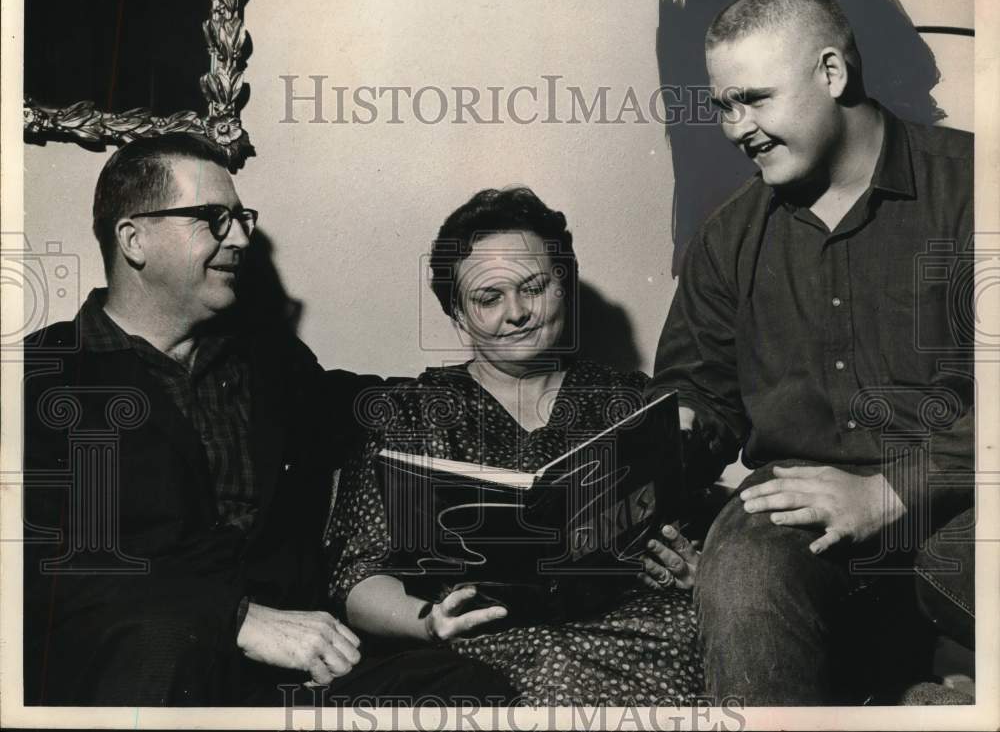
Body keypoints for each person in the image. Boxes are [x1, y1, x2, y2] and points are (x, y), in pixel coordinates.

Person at [22, 133, 512, 706]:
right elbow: (39, 575)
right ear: (134, 239)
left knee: (467, 691)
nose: (241, 238)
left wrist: (497, 370)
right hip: (149, 675)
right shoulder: (41, 380)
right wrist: (232, 619)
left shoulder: (267, 363)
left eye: (241, 217)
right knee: (159, 652)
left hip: (299, 677)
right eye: (213, 219)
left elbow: (366, 405)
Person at [649, 0, 975, 705]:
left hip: (966, 497)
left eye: (755, 99)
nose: (737, 129)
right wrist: (676, 432)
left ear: (832, 73)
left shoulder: (974, 190)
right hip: (797, 511)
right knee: (742, 575)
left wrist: (890, 491)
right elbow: (695, 389)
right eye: (724, 106)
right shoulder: (727, 237)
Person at [327, 186, 704, 706]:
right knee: (548, 671)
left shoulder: (627, 398)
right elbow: (358, 578)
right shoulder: (409, 413)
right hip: (485, 643)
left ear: (562, 286)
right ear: (457, 314)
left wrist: (686, 568)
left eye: (534, 287)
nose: (517, 313)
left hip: (632, 623)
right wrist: (429, 623)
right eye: (489, 298)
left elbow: (677, 524)